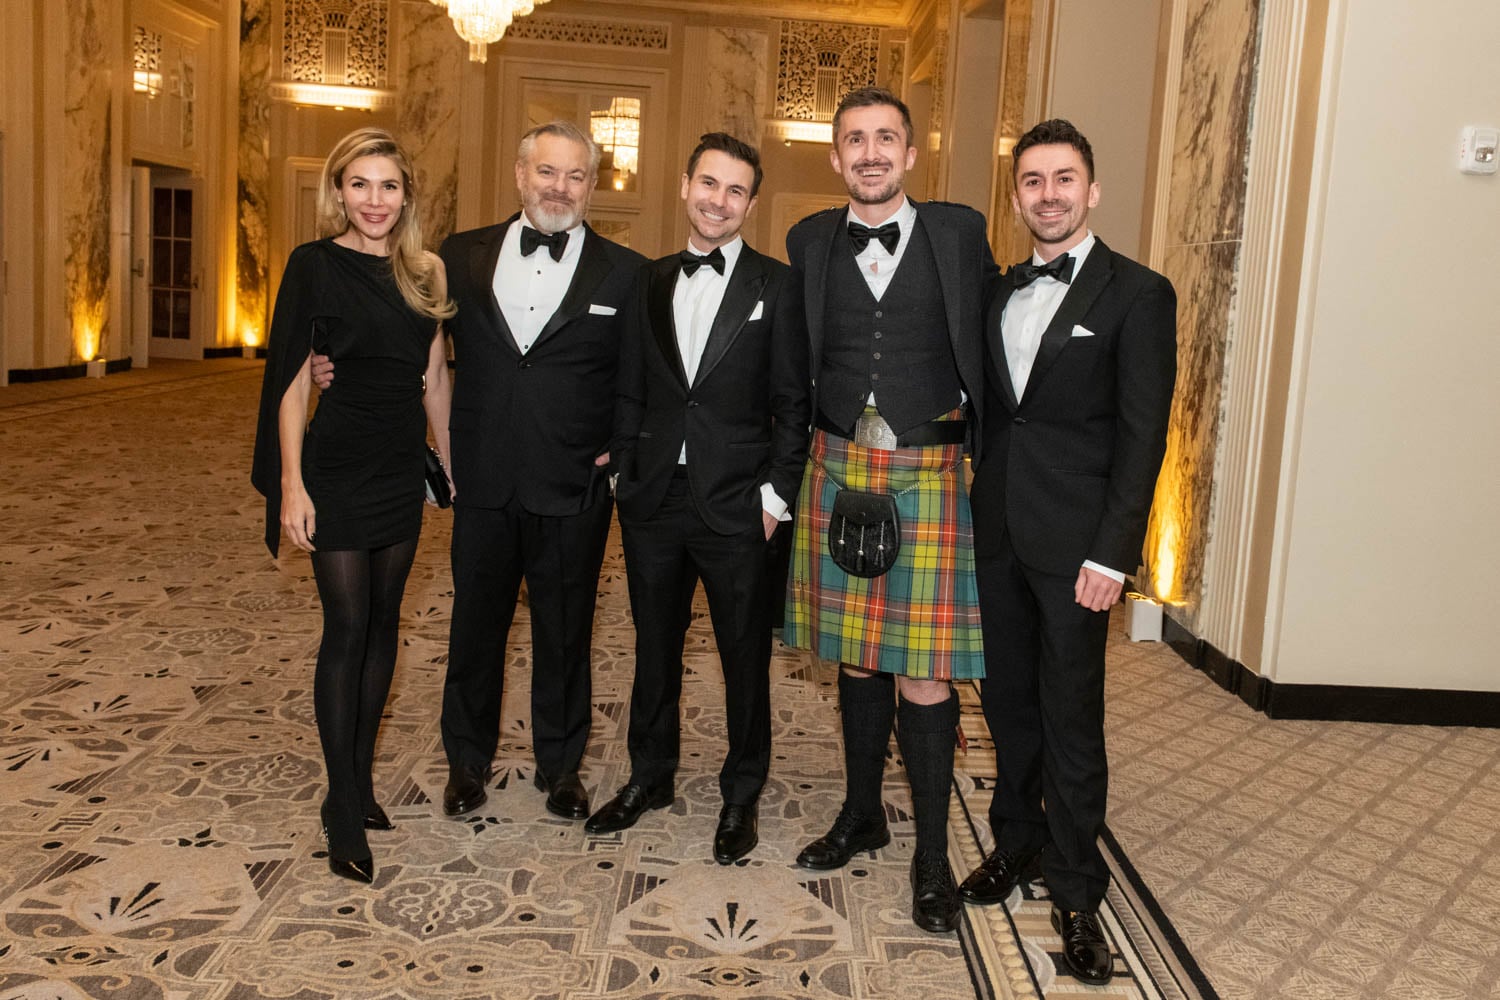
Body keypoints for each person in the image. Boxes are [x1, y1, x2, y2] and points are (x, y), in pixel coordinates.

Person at [961, 118, 1177, 986]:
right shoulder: (1001, 292)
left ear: (1093, 191)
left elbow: (1143, 435)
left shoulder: (1138, 293)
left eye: (1063, 180)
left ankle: (1080, 890)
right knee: (1007, 706)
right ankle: (1016, 843)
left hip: (1079, 550)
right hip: (997, 533)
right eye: (1032, 182)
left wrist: (1113, 554)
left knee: (1071, 718)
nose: (1047, 195)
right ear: (1016, 197)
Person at [782, 87, 996, 934]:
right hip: (836, 462)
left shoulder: (958, 232)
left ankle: (933, 856)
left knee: (924, 670)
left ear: (913, 154)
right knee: (858, 660)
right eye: (854, 141)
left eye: (886, 139)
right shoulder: (805, 242)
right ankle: (863, 812)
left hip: (929, 465)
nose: (871, 153)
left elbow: (1003, 331)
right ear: (834, 158)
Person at [586, 133, 810, 864]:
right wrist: (623, 472)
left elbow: (790, 403)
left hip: (739, 502)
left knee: (744, 656)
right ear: (685, 185)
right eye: (708, 183)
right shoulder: (647, 281)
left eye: (735, 190)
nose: (719, 200)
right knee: (654, 648)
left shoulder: (775, 288)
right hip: (652, 497)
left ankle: (741, 792)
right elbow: (629, 388)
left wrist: (776, 498)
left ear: (750, 202)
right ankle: (650, 776)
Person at [251, 127, 455, 884]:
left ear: (407, 195)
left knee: (382, 626)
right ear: (338, 190)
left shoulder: (424, 271)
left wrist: (451, 461)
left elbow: (434, 377)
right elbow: (293, 382)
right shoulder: (313, 265)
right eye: (360, 184)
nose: (375, 200)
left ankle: (360, 777)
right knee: (345, 626)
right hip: (334, 467)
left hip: (399, 467)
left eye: (389, 186)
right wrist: (292, 486)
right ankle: (341, 801)